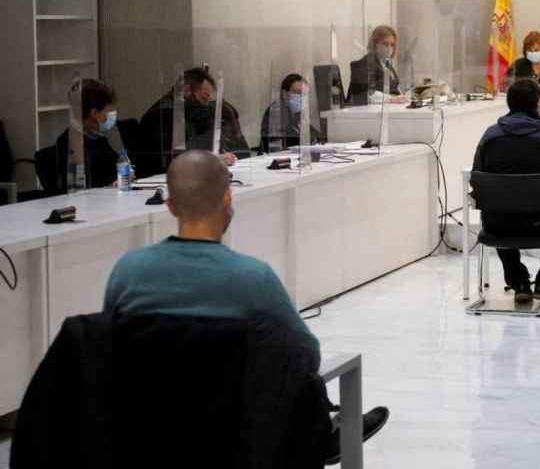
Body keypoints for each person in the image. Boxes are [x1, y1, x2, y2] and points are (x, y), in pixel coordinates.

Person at [103, 150, 387, 461]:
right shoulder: (253, 279)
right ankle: (326, 437)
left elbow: (110, 352)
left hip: (146, 437)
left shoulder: (127, 272)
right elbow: (306, 355)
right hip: (239, 440)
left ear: (169, 207)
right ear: (228, 200)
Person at [472, 79, 540, 304]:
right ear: (538, 104)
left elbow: (477, 180)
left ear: (509, 104)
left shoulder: (489, 136)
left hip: (497, 226)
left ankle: (518, 282)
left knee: (497, 205)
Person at [139, 67, 250, 175]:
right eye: (203, 99)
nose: (205, 106)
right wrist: (214, 159)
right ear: (186, 90)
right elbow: (176, 160)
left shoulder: (185, 113)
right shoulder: (161, 116)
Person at [55, 78, 122, 190]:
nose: (112, 116)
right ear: (94, 113)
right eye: (108, 112)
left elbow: (118, 168)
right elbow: (81, 188)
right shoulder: (69, 144)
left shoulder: (99, 138)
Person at [260, 73, 324, 153]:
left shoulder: (298, 114)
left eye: (304, 94)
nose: (301, 97)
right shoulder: (278, 111)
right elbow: (277, 146)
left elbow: (317, 137)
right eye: (297, 92)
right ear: (284, 93)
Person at [349, 25, 400, 105]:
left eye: (392, 45)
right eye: (385, 44)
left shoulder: (387, 65)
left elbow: (395, 88)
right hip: (366, 113)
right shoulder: (364, 64)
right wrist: (392, 99)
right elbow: (369, 94)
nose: (389, 48)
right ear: (375, 44)